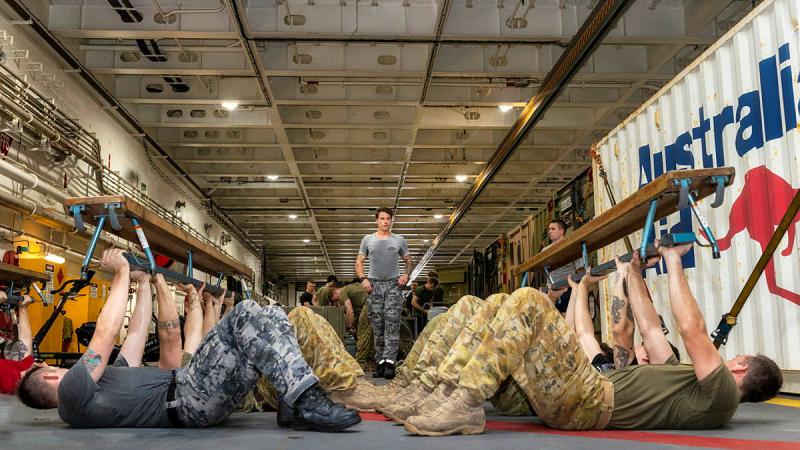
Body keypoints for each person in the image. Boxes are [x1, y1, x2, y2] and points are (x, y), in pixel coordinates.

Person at [402, 242, 783, 436]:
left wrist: (672, 260)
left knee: (530, 303)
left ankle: (464, 405)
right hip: (570, 395)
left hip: (586, 398)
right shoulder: (687, 385)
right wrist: (632, 272)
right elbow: (649, 329)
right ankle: (425, 389)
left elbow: (693, 330)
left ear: (741, 365)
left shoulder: (721, 396)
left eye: (736, 356)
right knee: (495, 303)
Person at [15, 248, 361, 431]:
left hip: (198, 397)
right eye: (44, 366)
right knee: (243, 314)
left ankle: (291, 404)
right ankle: (307, 398)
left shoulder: (103, 384)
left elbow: (133, 335)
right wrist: (119, 272)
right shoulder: (72, 396)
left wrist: (144, 282)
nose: (47, 364)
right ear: (47, 376)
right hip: (190, 397)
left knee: (268, 316)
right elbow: (104, 336)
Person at [356, 206, 413, 379]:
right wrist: (362, 278)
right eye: (382, 218)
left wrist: (405, 274)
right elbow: (359, 262)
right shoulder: (367, 240)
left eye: (388, 218)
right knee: (377, 325)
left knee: (393, 324)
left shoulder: (399, 240)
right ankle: (380, 361)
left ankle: (390, 362)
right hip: (374, 286)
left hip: (393, 286)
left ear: (391, 220)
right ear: (376, 220)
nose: (385, 221)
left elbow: (408, 260)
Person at [541, 219, 584, 313]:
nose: (549, 232)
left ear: (561, 231)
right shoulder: (545, 250)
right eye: (549, 229)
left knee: (568, 317)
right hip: (551, 290)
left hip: (567, 288)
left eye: (553, 229)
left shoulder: (571, 246)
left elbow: (580, 269)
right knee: (552, 318)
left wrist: (581, 289)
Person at [0, 292, 34, 394]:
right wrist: (23, 309)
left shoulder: (8, 381)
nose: (45, 363)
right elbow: (25, 343)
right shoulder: (23, 372)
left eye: (51, 368)